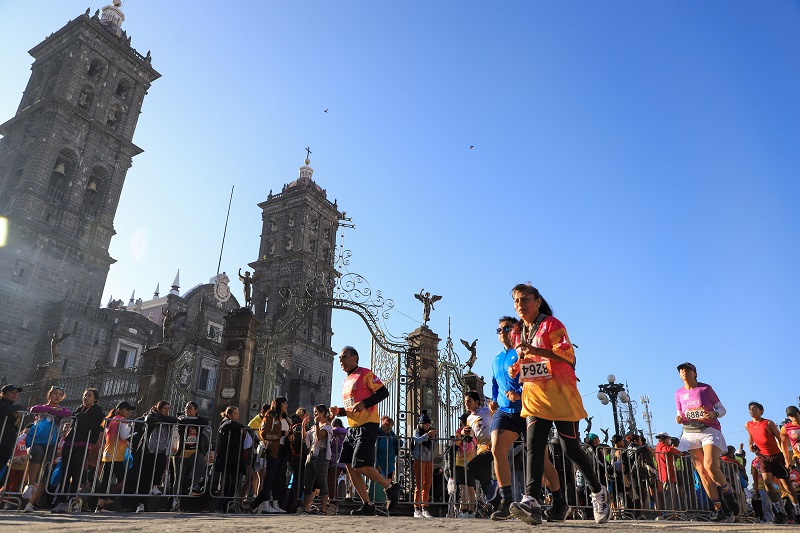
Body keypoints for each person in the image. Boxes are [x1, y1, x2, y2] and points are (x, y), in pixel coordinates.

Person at [507, 283, 610, 525]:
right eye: (516, 301)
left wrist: (536, 350)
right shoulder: (517, 332)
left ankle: (598, 491)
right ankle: (530, 500)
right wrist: (517, 367)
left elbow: (567, 355)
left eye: (524, 300)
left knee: (570, 448)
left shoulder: (552, 325)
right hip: (534, 394)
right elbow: (525, 359)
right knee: (534, 445)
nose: (519, 305)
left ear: (537, 301)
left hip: (560, 391)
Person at [488, 316, 567, 522]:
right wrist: (494, 400)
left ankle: (559, 501)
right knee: (497, 449)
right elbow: (495, 384)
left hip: (529, 408)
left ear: (516, 330)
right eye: (499, 329)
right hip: (505, 412)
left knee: (541, 459)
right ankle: (506, 502)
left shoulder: (526, 351)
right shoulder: (496, 359)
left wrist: (521, 395)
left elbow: (542, 379)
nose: (502, 332)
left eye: (507, 328)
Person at [329, 345, 400, 515]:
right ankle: (367, 505)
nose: (341, 360)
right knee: (350, 466)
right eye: (340, 358)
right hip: (352, 428)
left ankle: (390, 487)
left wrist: (365, 404)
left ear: (355, 357)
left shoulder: (365, 373)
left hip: (368, 426)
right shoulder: (346, 380)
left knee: (360, 465)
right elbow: (353, 409)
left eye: (344, 356)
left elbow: (384, 392)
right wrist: (339, 412)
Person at [674, 361, 738, 522]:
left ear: (695, 373)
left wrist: (713, 414)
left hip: (709, 430)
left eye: (688, 370)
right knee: (702, 473)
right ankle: (718, 509)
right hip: (690, 433)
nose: (684, 372)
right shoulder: (678, 394)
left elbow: (722, 409)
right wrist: (679, 419)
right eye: (681, 370)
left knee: (710, 466)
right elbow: (680, 414)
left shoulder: (705, 388)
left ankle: (727, 492)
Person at [745, 401, 799, 523]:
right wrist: (750, 445)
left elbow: (781, 440)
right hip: (762, 457)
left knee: (787, 486)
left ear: (761, 411)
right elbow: (750, 436)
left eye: (754, 409)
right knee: (767, 483)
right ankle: (780, 512)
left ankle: (797, 511)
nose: (751, 411)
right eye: (749, 409)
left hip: (776, 456)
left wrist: (785, 458)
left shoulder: (768, 423)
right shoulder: (748, 425)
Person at [52, 388, 104, 513]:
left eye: (89, 396)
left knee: (77, 473)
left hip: (82, 444)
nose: (86, 397)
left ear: (95, 399)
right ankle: (62, 500)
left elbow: (89, 424)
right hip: (70, 443)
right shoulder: (79, 409)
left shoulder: (97, 411)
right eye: (85, 395)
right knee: (66, 471)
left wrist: (79, 417)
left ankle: (73, 500)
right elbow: (74, 417)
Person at [23, 386, 70, 512]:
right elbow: (34, 409)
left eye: (60, 394)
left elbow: (67, 413)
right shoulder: (41, 407)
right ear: (49, 395)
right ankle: (30, 484)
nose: (58, 396)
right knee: (37, 454)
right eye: (55, 393)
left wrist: (54, 411)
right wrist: (51, 410)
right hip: (36, 440)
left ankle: (31, 503)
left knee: (45, 471)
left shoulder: (61, 409)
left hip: (51, 442)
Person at [251, 397, 290, 514]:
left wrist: (290, 435)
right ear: (278, 404)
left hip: (284, 449)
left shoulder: (285, 418)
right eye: (284, 404)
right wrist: (280, 434)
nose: (286, 406)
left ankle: (275, 503)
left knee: (279, 477)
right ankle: (265, 503)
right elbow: (264, 434)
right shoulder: (270, 417)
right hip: (274, 449)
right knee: (270, 476)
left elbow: (288, 431)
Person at [95, 401, 134, 512]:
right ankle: (110, 502)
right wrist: (130, 427)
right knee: (124, 479)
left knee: (106, 479)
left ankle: (100, 506)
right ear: (119, 409)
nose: (128, 413)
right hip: (116, 454)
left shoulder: (110, 420)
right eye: (127, 409)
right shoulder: (121, 420)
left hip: (108, 452)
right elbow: (123, 435)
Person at [463, 391, 495, 513]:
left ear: (477, 402)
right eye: (465, 402)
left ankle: (493, 486)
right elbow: (471, 435)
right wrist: (465, 433)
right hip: (480, 447)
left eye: (469, 401)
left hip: (492, 446)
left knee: (471, 467)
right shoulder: (469, 418)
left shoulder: (487, 411)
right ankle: (497, 504)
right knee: (483, 480)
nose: (466, 404)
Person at [174, 401, 211, 507]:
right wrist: (191, 421)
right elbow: (182, 421)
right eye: (186, 408)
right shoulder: (181, 418)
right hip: (181, 452)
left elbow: (204, 422)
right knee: (179, 478)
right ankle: (175, 500)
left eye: (190, 408)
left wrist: (191, 422)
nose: (187, 410)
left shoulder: (200, 420)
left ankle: (194, 486)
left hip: (194, 451)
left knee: (201, 460)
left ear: (196, 410)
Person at [300, 404, 333, 514]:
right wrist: (303, 426)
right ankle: (305, 508)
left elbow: (320, 436)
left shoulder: (327, 426)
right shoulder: (315, 427)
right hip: (312, 454)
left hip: (322, 455)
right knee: (308, 482)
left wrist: (317, 424)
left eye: (316, 412)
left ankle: (323, 509)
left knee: (322, 481)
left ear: (322, 413)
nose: (314, 414)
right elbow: (305, 437)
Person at [214, 406, 248, 512]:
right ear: (229, 414)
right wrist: (244, 427)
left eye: (238, 414)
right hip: (227, 458)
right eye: (235, 414)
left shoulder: (236, 425)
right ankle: (222, 505)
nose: (237, 416)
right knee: (228, 483)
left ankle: (229, 504)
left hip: (236, 458)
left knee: (234, 484)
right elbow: (228, 425)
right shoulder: (226, 423)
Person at [411, 410, 436, 518]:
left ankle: (424, 507)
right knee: (419, 484)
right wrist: (427, 435)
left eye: (428, 424)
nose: (427, 426)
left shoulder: (430, 433)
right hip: (419, 460)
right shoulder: (417, 431)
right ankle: (416, 508)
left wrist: (433, 438)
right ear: (421, 424)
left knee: (427, 485)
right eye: (425, 424)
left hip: (429, 460)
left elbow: (433, 448)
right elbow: (416, 440)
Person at [0, 385, 24, 485]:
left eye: (16, 393)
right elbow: (5, 411)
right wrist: (17, 408)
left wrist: (20, 417)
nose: (14, 395)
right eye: (11, 392)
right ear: (3, 394)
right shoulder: (3, 404)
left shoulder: (14, 409)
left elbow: (18, 427)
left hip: (8, 443)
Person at [654, 432, 683, 515]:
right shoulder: (661, 446)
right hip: (666, 475)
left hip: (669, 474)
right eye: (668, 438)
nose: (669, 440)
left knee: (671, 494)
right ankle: (670, 512)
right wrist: (678, 452)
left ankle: (672, 512)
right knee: (669, 495)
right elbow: (668, 450)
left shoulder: (661, 446)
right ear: (664, 439)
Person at [372, 415, 398, 504]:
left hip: (390, 465)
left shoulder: (391, 434)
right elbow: (374, 451)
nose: (389, 430)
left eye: (391, 428)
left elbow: (399, 445)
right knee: (378, 486)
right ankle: (377, 503)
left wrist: (397, 439)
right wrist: (377, 464)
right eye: (387, 428)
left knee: (388, 486)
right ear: (383, 426)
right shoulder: (377, 434)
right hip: (380, 465)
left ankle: (386, 504)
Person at [781, 406, 800, 471]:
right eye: (791, 416)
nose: (794, 417)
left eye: (795, 415)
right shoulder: (785, 428)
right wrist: (787, 460)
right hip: (798, 456)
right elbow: (783, 444)